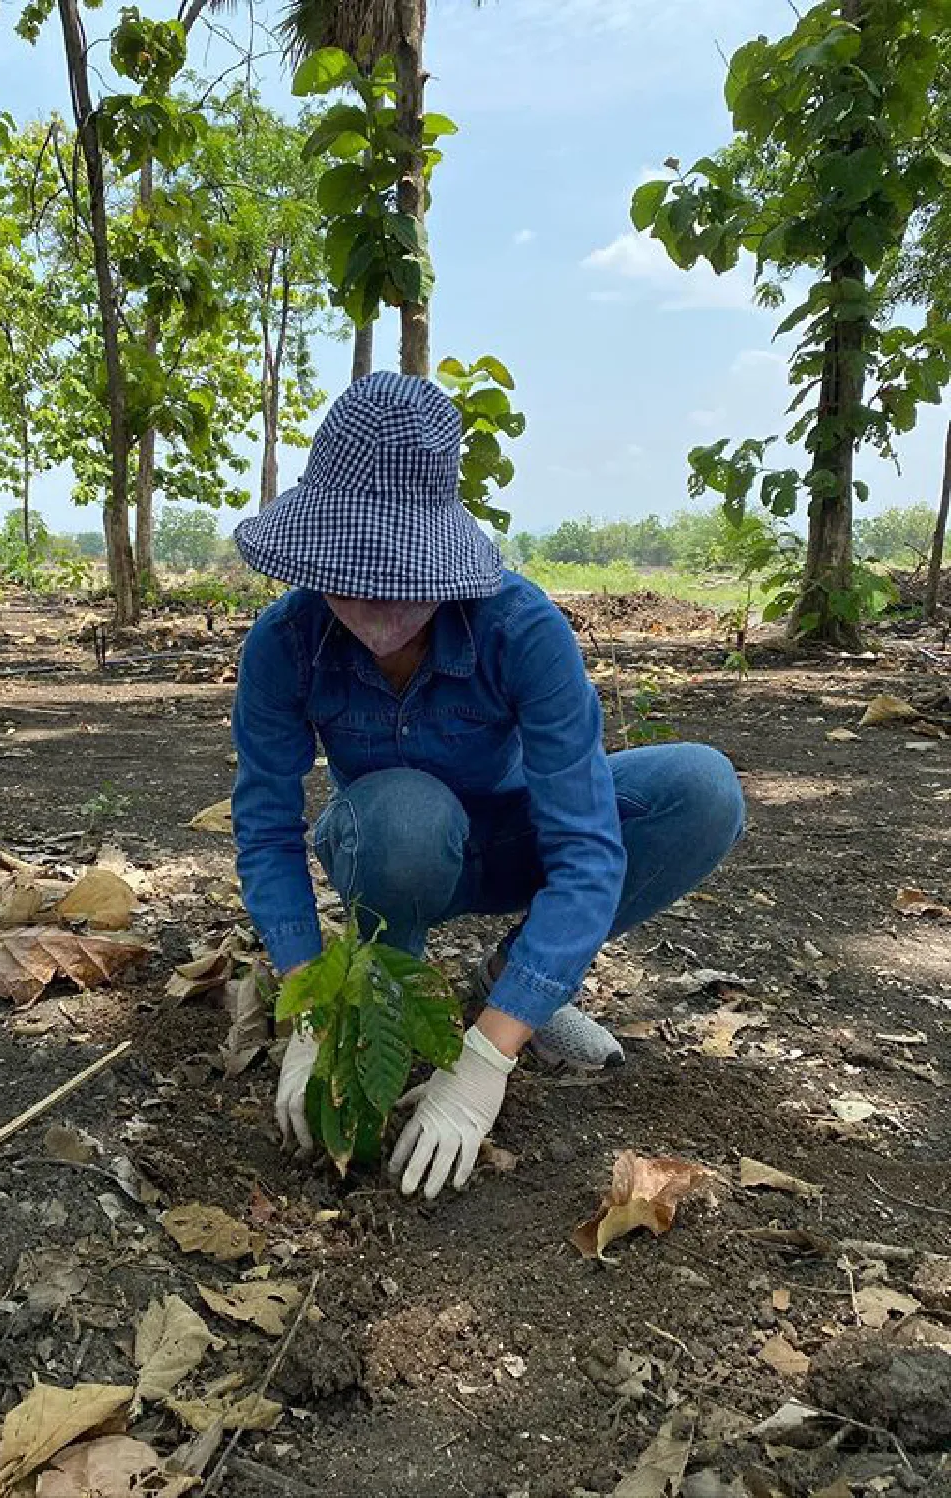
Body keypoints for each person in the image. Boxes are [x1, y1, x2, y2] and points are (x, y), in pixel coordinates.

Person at [230, 373, 744, 1201]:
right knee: (404, 815)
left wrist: (487, 1057)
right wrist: (310, 1003)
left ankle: (512, 985)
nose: (373, 597)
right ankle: (385, 994)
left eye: (397, 570)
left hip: (514, 837)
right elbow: (265, 828)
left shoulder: (521, 630)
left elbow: (584, 844)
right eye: (349, 569)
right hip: (389, 849)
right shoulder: (284, 643)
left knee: (702, 787)